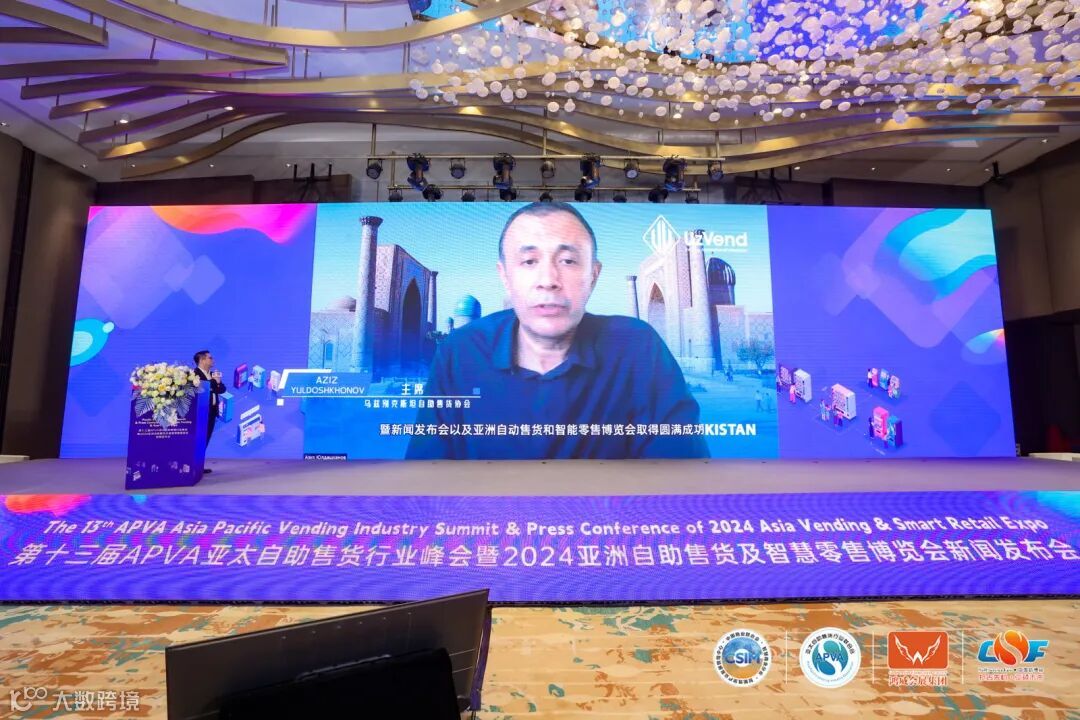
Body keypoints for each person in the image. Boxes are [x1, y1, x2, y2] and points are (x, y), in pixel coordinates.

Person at [406, 202, 708, 460]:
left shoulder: (638, 349)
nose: (548, 280)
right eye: (529, 261)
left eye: (567, 261)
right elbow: (425, 479)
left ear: (593, 275)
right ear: (505, 276)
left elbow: (682, 479)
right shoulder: (461, 352)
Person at [194, 350, 226, 471]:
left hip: (211, 412)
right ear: (202, 360)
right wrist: (215, 382)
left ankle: (199, 466)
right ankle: (193, 466)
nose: (213, 360)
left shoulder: (213, 374)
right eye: (210, 358)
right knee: (197, 440)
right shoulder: (194, 374)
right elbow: (205, 387)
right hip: (199, 413)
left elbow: (222, 389)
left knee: (205, 439)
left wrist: (218, 382)